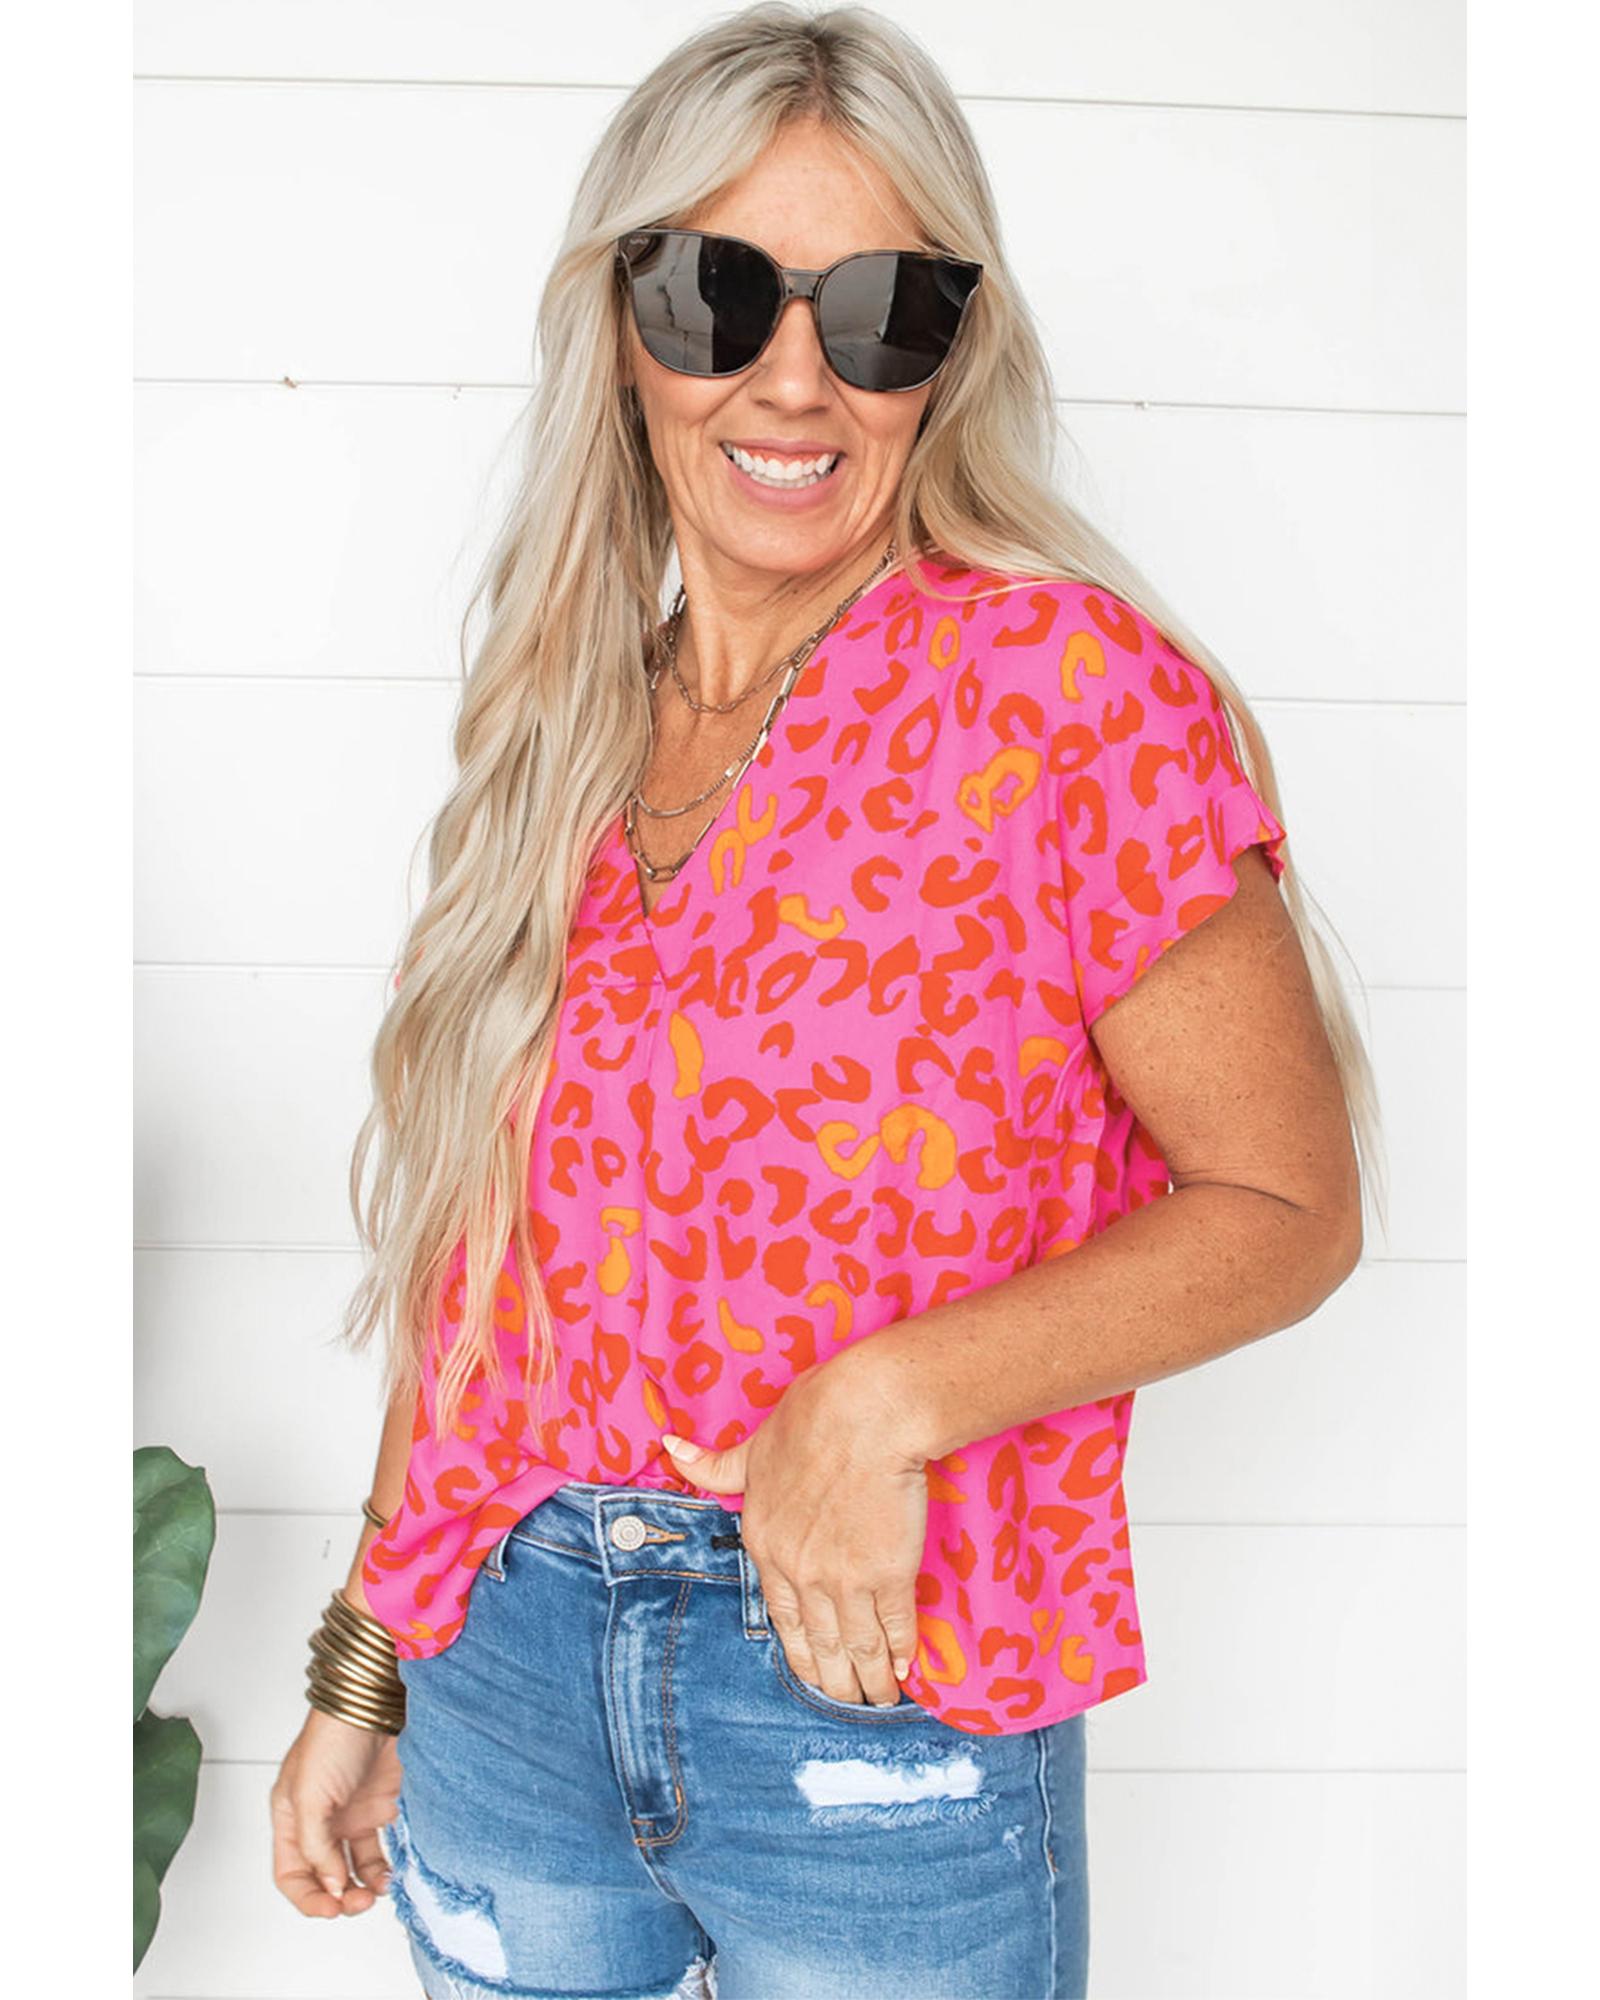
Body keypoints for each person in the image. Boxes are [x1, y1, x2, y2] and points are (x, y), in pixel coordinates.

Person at [268, 7, 1380, 1996]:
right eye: (714, 293)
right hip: (500, 1667)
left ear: (953, 351)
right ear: (620, 320)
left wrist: (876, 1404)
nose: (793, 376)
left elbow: (1287, 1206)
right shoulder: (570, 720)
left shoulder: (1063, 696)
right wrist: (369, 1651)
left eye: (880, 312)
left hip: (880, 1683)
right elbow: (484, 1258)